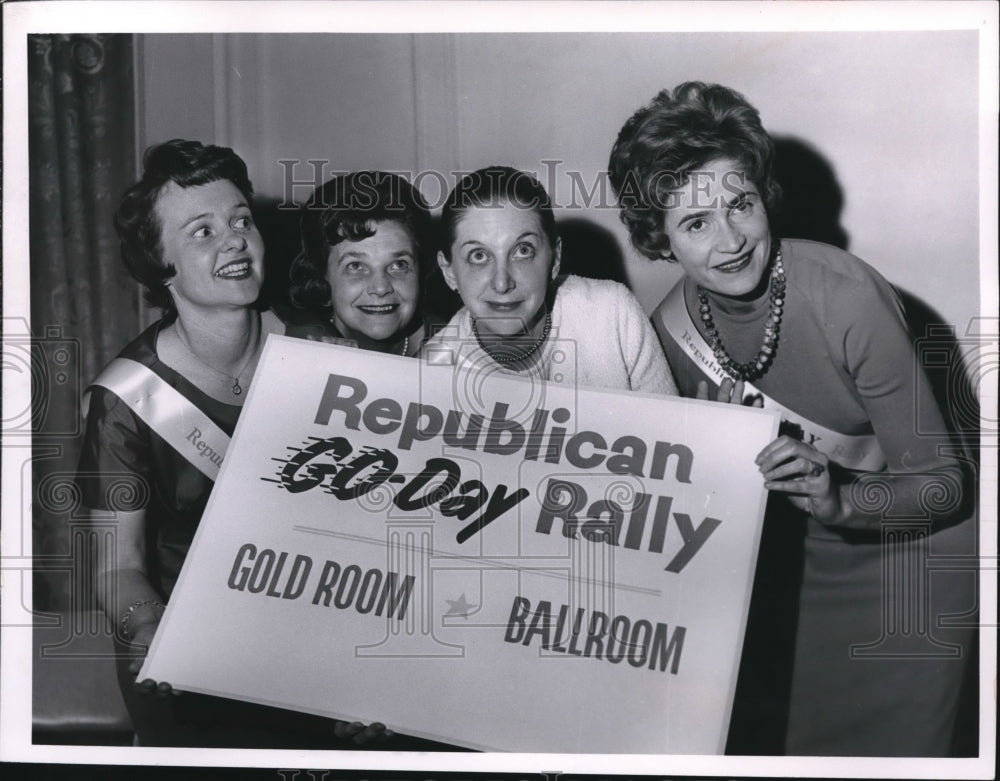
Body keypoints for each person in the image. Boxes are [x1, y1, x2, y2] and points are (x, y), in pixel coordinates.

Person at [608, 82, 976, 756]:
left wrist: (837, 497)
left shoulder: (846, 298)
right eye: (695, 223)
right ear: (658, 241)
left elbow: (946, 486)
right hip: (797, 565)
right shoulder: (665, 331)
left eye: (739, 204)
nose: (731, 240)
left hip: (914, 558)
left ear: (761, 194)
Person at [77, 139, 386, 748]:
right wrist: (149, 632)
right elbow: (118, 567)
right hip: (191, 668)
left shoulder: (322, 350)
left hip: (315, 647)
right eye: (201, 231)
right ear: (160, 264)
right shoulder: (125, 401)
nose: (234, 239)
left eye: (241, 220)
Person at [423, 165, 678, 396]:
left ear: (554, 259)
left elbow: (671, 437)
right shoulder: (433, 365)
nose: (502, 284)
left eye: (523, 250)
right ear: (449, 272)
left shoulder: (612, 312)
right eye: (478, 256)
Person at [287, 171, 437, 355]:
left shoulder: (454, 347)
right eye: (356, 266)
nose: (381, 288)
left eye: (399, 265)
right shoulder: (295, 350)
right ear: (321, 274)